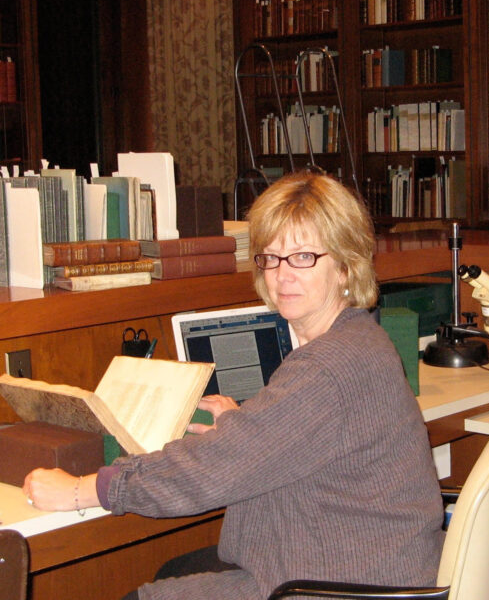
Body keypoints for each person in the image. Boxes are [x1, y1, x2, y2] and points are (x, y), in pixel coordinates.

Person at [23, 170, 445, 599]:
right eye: (272, 257)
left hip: (337, 585)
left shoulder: (327, 367)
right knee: (179, 567)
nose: (283, 276)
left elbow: (207, 472)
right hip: (376, 564)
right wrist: (252, 428)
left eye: (303, 257)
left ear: (345, 266)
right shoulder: (360, 338)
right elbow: (301, 435)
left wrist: (84, 489)